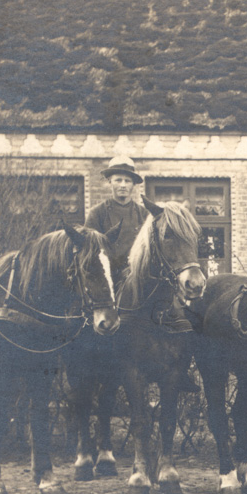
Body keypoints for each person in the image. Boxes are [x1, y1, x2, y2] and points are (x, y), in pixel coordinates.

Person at [86, 155, 198, 392]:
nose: (123, 185)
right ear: (110, 183)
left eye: (128, 181)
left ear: (134, 185)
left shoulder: (143, 214)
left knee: (177, 313)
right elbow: (91, 251)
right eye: (118, 180)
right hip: (110, 276)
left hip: (139, 275)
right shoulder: (98, 214)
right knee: (102, 317)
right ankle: (102, 365)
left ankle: (179, 367)